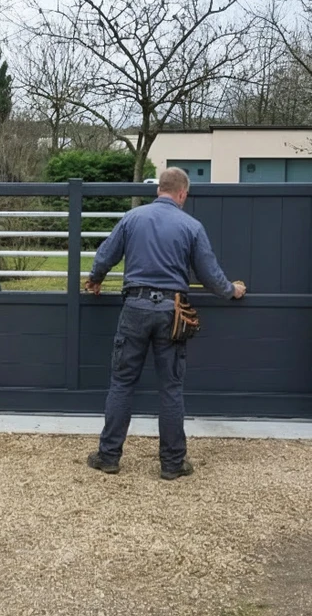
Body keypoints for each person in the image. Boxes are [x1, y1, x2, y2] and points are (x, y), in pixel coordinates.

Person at [83, 167, 246, 480]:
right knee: (171, 388)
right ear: (182, 193)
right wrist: (232, 290)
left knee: (122, 383)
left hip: (134, 306)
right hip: (172, 311)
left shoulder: (133, 219)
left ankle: (108, 457)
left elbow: (105, 255)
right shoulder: (191, 226)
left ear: (160, 189)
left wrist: (95, 280)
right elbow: (210, 275)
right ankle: (172, 464)